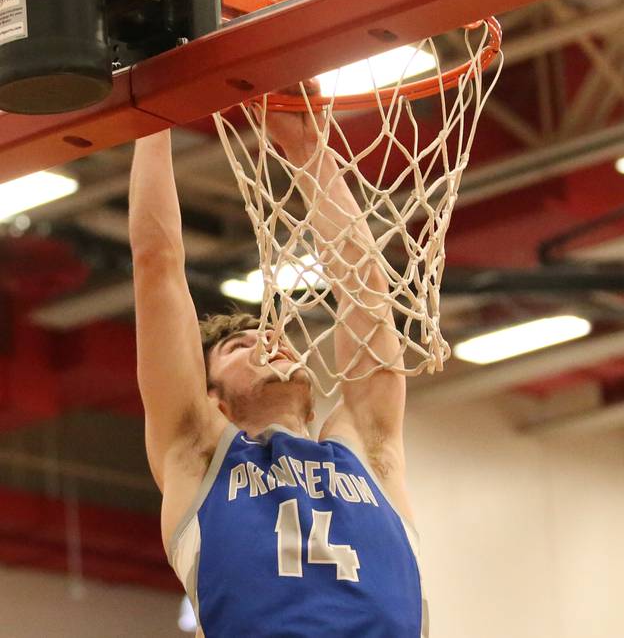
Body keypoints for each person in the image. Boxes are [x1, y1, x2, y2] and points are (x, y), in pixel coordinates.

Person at [128, 103, 427, 637]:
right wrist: (153, 111)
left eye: (272, 337)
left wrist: (308, 152)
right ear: (212, 397)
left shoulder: (367, 448)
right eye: (239, 347)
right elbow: (157, 263)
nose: (269, 345)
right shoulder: (199, 455)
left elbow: (366, 289)